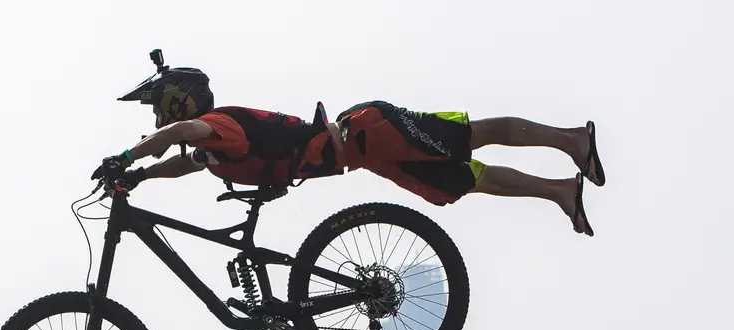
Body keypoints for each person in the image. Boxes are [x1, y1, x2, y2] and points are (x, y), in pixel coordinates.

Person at [91, 54, 605, 236]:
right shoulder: (214, 149)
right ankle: (561, 191)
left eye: (160, 107)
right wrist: (138, 175)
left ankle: (570, 140)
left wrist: (133, 153)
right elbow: (186, 164)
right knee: (467, 182)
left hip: (367, 131)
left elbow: (181, 138)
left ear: (180, 102)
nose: (158, 117)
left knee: (473, 135)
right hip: (368, 158)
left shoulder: (218, 124)